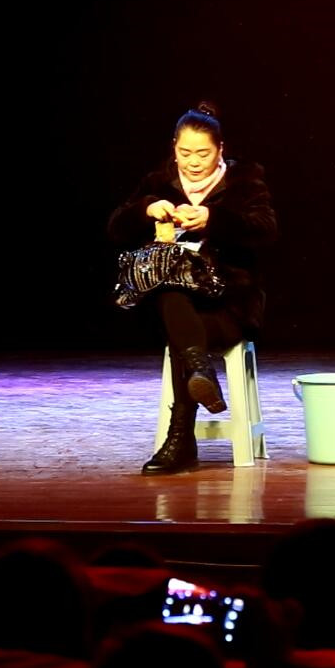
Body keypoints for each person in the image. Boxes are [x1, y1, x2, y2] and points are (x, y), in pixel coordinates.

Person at [108, 103, 277, 475]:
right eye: (185, 153)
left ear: (220, 150)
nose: (193, 162)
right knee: (171, 294)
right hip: (180, 304)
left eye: (203, 153)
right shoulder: (159, 183)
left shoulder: (244, 181)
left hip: (230, 304)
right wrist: (147, 209)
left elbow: (266, 230)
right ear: (174, 147)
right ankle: (201, 371)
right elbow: (115, 227)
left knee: (181, 333)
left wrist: (213, 219)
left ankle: (181, 438)